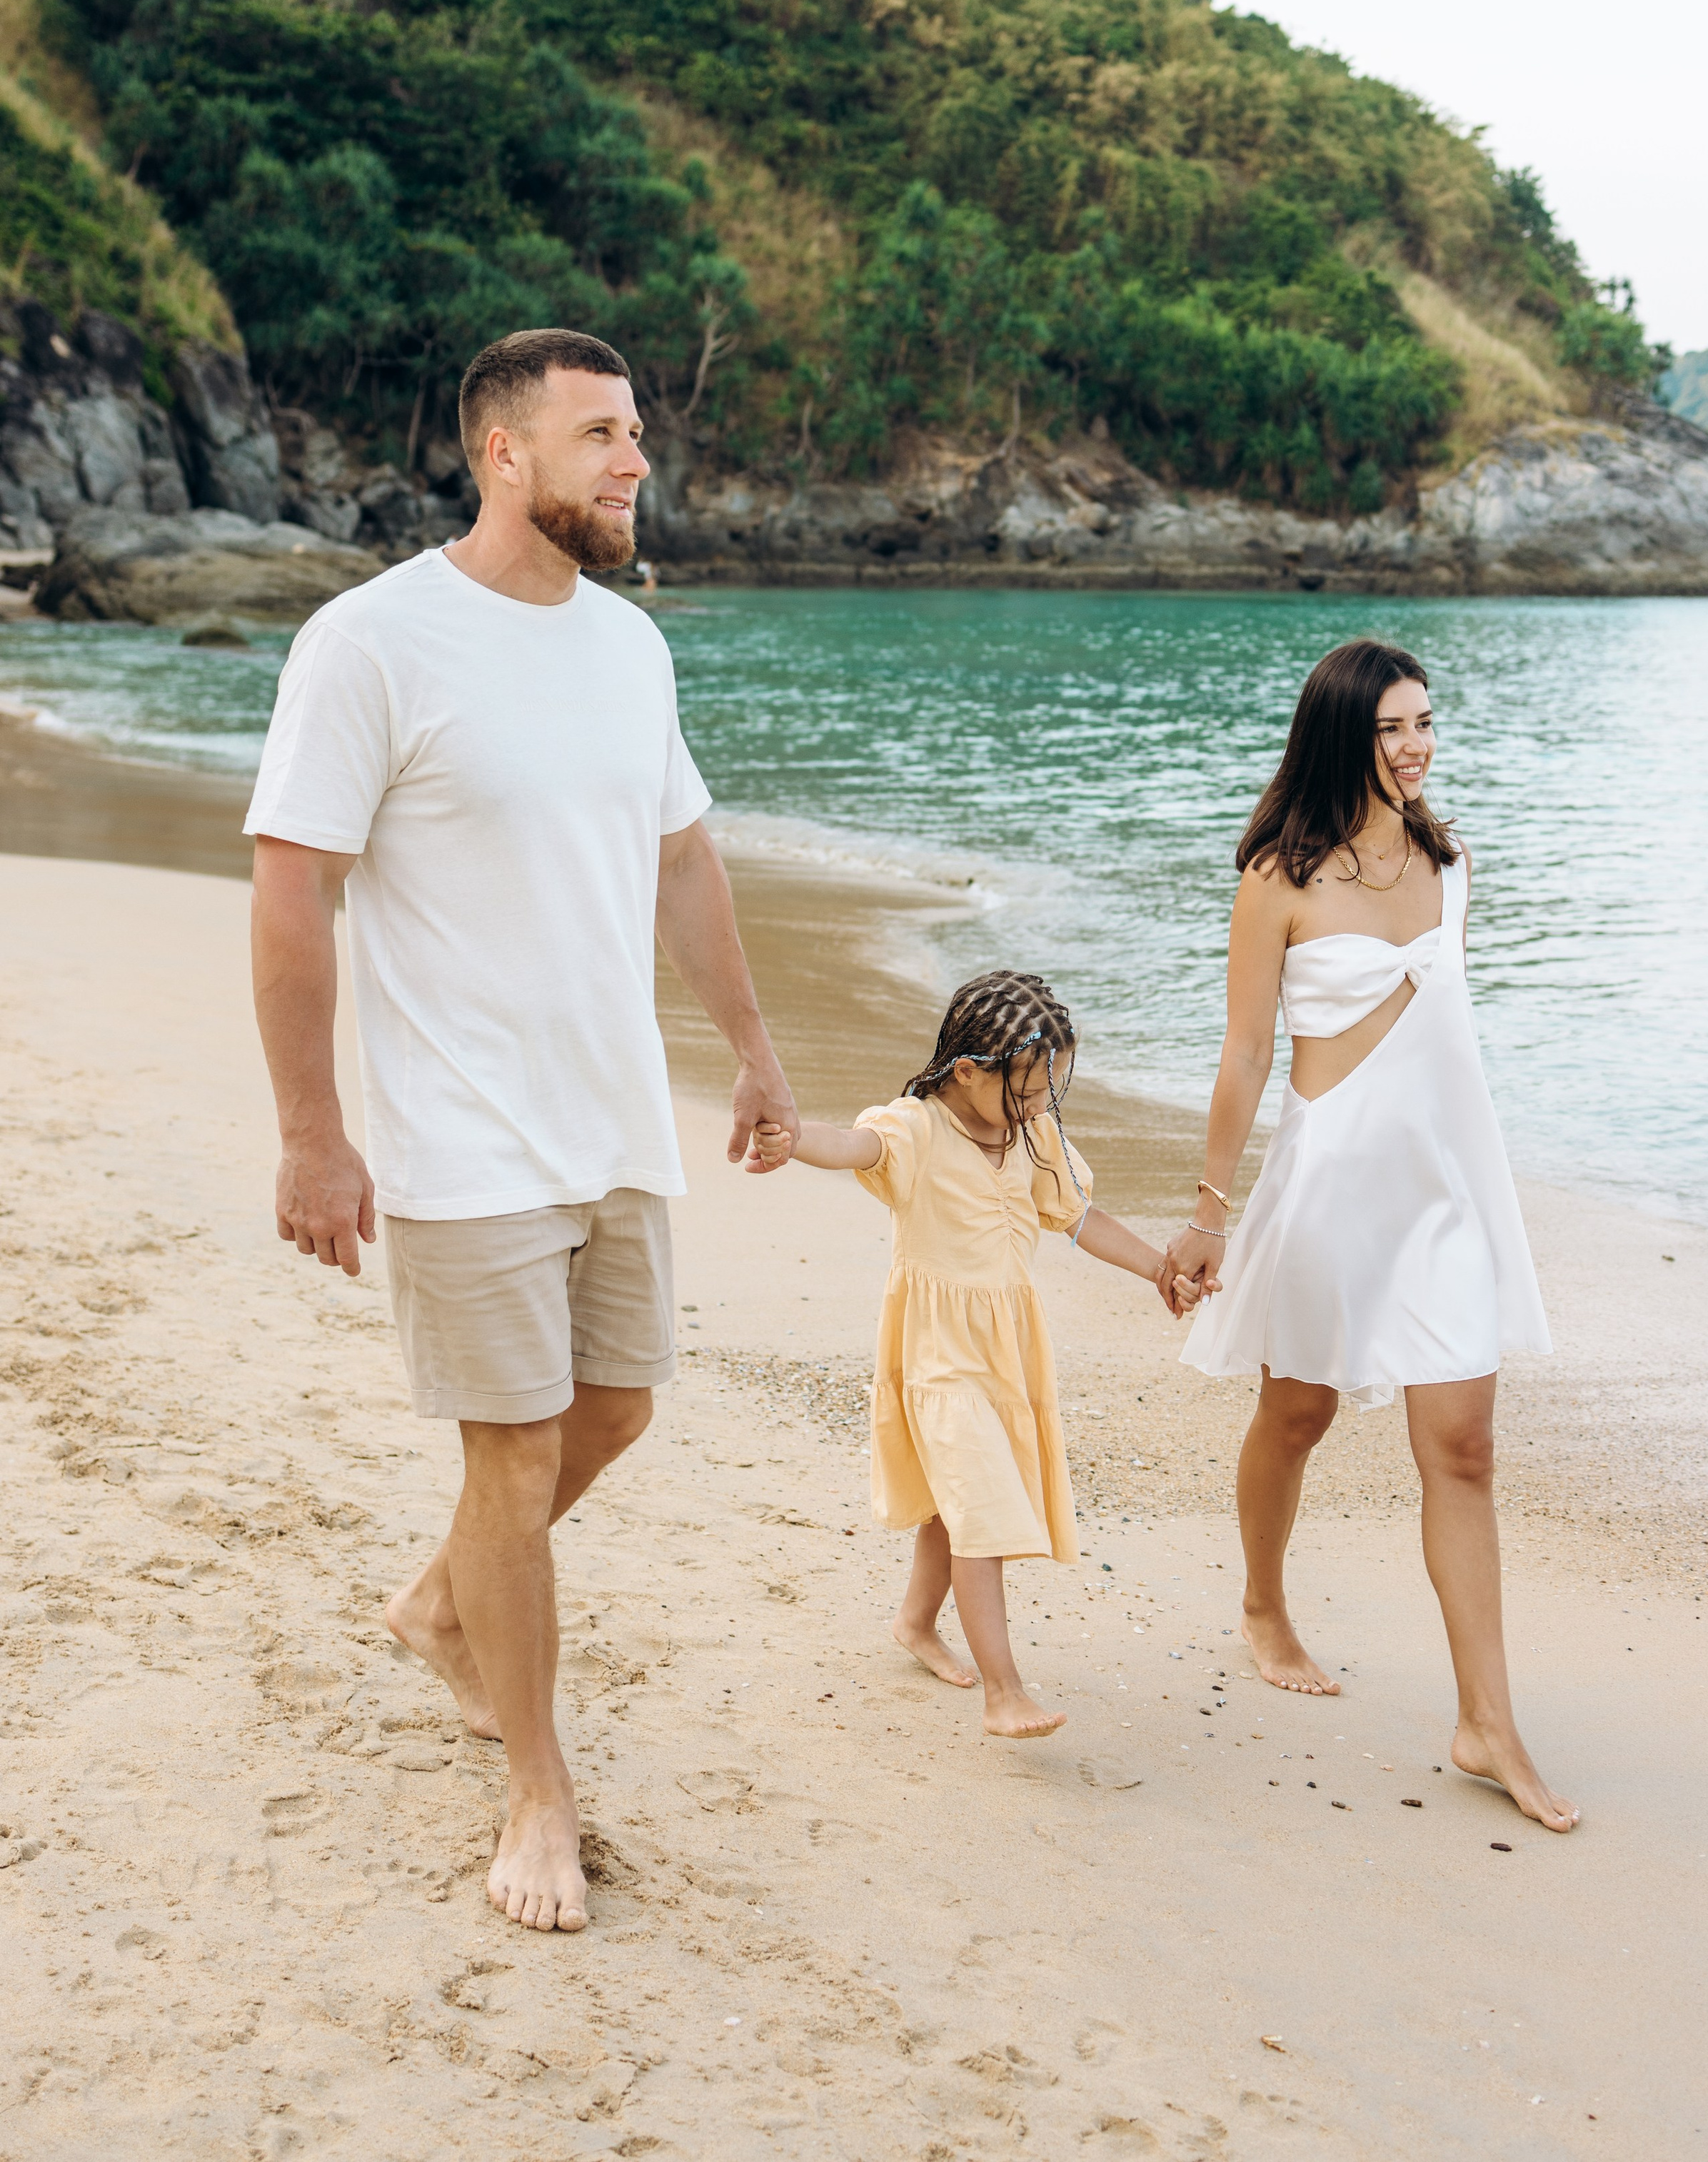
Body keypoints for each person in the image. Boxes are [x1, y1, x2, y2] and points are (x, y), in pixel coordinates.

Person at [245, 326, 798, 1934]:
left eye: (635, 433)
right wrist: (310, 1134)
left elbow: (682, 860)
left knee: (610, 1412)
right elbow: (293, 887)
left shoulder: (629, 647)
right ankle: (539, 1790)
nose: (638, 461)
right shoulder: (371, 643)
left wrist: (754, 1051)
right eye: (604, 433)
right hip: (460, 1135)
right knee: (510, 1451)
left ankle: (437, 1603)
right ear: (506, 451)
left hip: (612, 1115)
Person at [1164, 639, 1574, 1832]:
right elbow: (1246, 1054)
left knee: (1465, 1448)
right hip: (1332, 1185)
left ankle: (1486, 1720)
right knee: (1298, 1412)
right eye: (1394, 727)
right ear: (1342, 735)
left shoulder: (1448, 857)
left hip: (1448, 1188)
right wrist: (1207, 1212)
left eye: (1428, 723)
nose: (1416, 745)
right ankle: (1261, 1602)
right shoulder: (1279, 875)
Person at [753, 971, 1195, 1739]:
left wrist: (1158, 1265)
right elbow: (854, 1145)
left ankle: (915, 1623)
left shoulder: (1031, 1133)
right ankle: (1005, 1690)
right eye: (1022, 1094)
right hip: (937, 1357)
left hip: (1006, 1354)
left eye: (1044, 1096)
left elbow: (1079, 1219)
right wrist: (793, 1140)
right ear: (966, 1071)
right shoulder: (915, 1129)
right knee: (983, 1508)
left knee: (953, 1504)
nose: (1034, 1110)